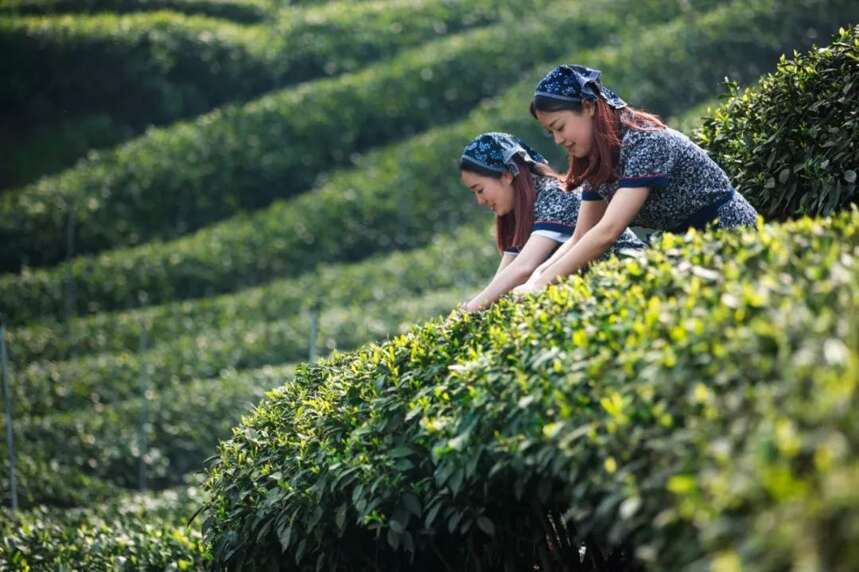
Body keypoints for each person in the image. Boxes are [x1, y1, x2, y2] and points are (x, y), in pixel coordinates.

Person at [515, 65, 758, 294]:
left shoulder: (646, 142)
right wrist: (537, 278)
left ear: (588, 106)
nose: (558, 140)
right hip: (690, 250)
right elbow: (580, 236)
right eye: (551, 133)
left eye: (560, 127)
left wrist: (541, 285)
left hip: (732, 235)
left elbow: (608, 231)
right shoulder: (600, 159)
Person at [459, 132, 644, 311]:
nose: (479, 201)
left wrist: (467, 312)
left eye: (480, 190)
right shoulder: (520, 213)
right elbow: (503, 279)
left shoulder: (555, 195)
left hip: (633, 279)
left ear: (506, 175)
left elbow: (524, 267)